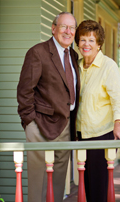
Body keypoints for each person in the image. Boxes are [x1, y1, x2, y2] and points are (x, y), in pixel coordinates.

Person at [17, 12, 80, 202]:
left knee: (59, 182)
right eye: (63, 26)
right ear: (53, 28)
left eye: (72, 28)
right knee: (38, 182)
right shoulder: (38, 52)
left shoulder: (74, 56)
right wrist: (30, 122)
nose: (68, 32)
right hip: (40, 125)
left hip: (66, 125)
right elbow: (25, 90)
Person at [74, 20, 120, 202]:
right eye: (83, 40)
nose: (86, 44)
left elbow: (118, 99)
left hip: (102, 135)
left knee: (99, 188)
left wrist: (119, 124)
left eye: (91, 40)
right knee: (86, 187)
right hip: (81, 136)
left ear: (99, 44)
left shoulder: (108, 66)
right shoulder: (77, 66)